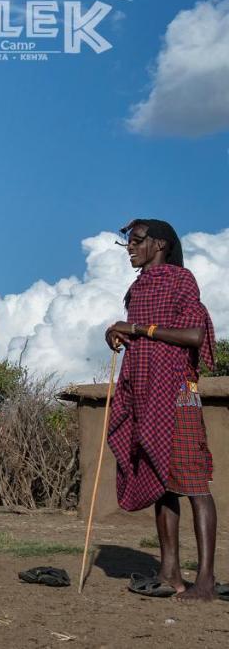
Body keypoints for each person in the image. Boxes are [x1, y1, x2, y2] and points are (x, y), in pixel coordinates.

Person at [105, 219, 219, 601]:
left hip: (175, 397)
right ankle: (169, 572)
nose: (130, 248)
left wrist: (137, 330)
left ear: (161, 244)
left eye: (136, 241)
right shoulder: (137, 288)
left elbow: (194, 336)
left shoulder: (181, 281)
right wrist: (117, 334)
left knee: (194, 488)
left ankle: (204, 580)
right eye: (128, 242)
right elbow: (135, 333)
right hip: (145, 395)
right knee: (163, 487)